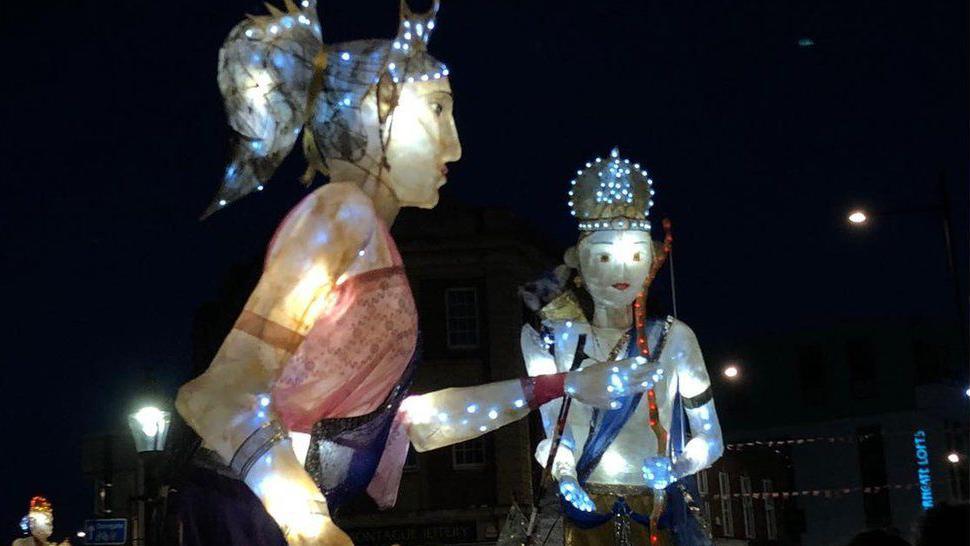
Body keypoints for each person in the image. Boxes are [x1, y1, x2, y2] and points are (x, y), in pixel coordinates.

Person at [173, 3, 660, 545]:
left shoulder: (369, 241)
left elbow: (415, 423)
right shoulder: (340, 214)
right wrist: (308, 521)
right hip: (249, 515)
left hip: (268, 510)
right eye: (436, 110)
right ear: (377, 111)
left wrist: (565, 385)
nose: (454, 145)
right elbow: (218, 394)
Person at [521, 148, 725, 546]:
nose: (620, 271)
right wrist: (564, 473)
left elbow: (711, 437)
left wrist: (678, 465)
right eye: (604, 256)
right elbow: (557, 431)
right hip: (586, 511)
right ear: (579, 262)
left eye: (634, 255)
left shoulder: (674, 339)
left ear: (651, 259)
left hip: (658, 513)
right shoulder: (555, 339)